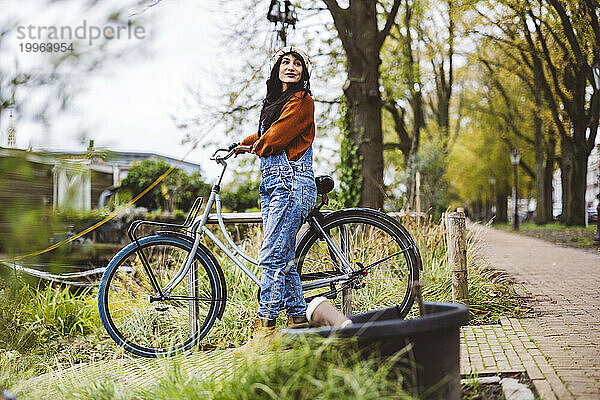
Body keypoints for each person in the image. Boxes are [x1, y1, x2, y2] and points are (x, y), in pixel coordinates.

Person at [236, 46, 317, 351]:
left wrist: (253, 146)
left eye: (298, 64)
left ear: (303, 73)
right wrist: (238, 145)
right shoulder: (274, 102)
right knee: (284, 259)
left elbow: (275, 138)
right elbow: (263, 134)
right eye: (286, 62)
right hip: (272, 183)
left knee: (270, 257)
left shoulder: (302, 102)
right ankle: (299, 324)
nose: (292, 67)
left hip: (291, 182)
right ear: (277, 69)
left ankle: (265, 331)